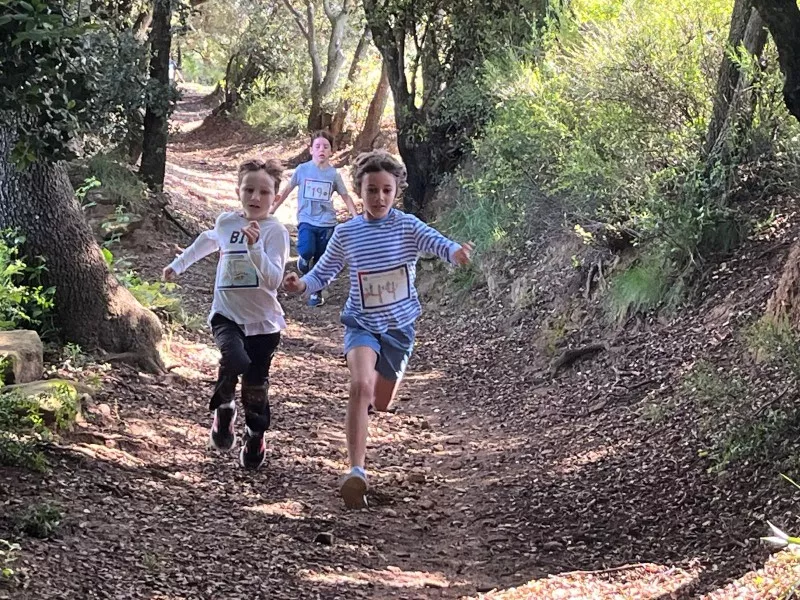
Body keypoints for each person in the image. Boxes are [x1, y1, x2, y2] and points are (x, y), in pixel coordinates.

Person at [282, 150, 473, 508]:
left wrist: (454, 252)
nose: (379, 197)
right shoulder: (347, 233)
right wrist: (301, 285)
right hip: (361, 324)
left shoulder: (407, 226)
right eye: (372, 190)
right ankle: (356, 471)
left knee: (380, 400)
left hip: (399, 328)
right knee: (359, 385)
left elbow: (436, 241)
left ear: (396, 190)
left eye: (386, 190)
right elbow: (323, 273)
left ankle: (366, 414)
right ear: (360, 191)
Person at [163, 159, 289, 470]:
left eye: (264, 192)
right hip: (227, 315)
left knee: (255, 384)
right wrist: (178, 265)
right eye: (249, 190)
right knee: (235, 360)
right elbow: (206, 241)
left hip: (264, 323)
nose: (255, 197)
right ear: (238, 191)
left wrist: (255, 247)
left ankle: (255, 433)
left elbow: (274, 281)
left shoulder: (276, 232)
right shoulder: (226, 223)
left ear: (275, 196)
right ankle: (224, 407)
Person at [272, 130, 358, 307]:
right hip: (306, 220)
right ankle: (303, 262)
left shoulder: (334, 175)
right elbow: (287, 190)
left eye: (326, 147)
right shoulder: (302, 170)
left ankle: (316, 294)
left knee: (321, 260)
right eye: (317, 146)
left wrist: (356, 217)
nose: (322, 150)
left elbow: (345, 196)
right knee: (307, 250)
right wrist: (271, 209)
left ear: (331, 151)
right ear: (311, 150)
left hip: (327, 223)